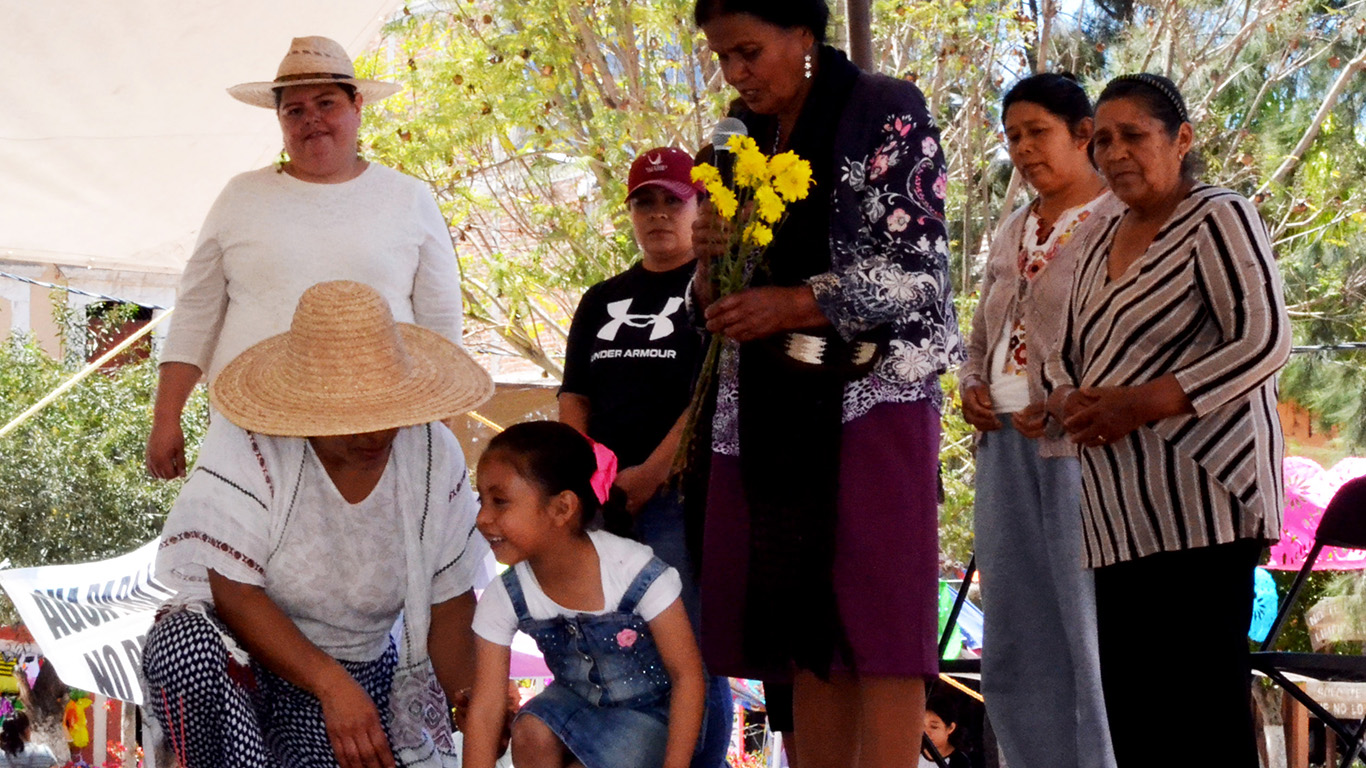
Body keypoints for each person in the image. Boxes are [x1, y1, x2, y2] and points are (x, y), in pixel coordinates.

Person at [690, 2, 963, 767]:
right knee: (800, 622)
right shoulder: (736, 140)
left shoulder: (885, 109)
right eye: (722, 57)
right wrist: (712, 264)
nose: (736, 73)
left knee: (878, 622)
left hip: (872, 399)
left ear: (804, 35)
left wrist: (794, 303)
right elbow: (716, 296)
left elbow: (918, 273)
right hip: (770, 407)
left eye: (749, 51)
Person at [142, 280, 495, 768]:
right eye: (352, 420)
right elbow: (235, 593)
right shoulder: (250, 442)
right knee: (185, 648)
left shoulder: (433, 454)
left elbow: (450, 601)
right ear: (306, 409)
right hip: (243, 666)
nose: (375, 434)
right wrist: (330, 685)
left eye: (386, 412)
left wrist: (474, 701)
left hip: (360, 676)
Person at [1043, 74, 1291, 766]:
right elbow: (1064, 354)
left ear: (1181, 140)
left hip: (1205, 506)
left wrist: (1142, 402)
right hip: (1117, 516)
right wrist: (1066, 400)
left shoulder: (1218, 215)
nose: (1115, 152)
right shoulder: (1097, 236)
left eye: (1134, 135)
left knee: (1202, 715)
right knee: (1136, 718)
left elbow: (1265, 341)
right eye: (1103, 140)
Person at [146, 35, 464, 479]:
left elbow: (441, 323)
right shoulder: (240, 196)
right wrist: (166, 418)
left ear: (357, 106)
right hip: (252, 433)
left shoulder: (408, 198)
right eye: (294, 110)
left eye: (326, 103)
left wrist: (438, 431)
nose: (311, 119)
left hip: (380, 434)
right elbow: (196, 312)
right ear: (279, 120)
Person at [959, 74, 1115, 768]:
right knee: (1017, 626)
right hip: (1002, 444)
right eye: (1013, 136)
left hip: (1081, 447)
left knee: (1086, 625)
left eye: (1038, 132)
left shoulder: (1119, 217)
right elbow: (980, 331)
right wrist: (971, 383)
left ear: (1083, 135)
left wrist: (1065, 396)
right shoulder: (1012, 227)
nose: (1023, 149)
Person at [558, 146, 732, 767]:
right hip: (600, 502)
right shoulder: (601, 298)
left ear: (697, 209)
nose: (658, 214)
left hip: (679, 499)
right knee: (611, 647)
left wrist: (652, 474)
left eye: (672, 201)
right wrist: (587, 476)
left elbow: (711, 395)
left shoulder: (714, 292)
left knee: (689, 651)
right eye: (645, 202)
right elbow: (574, 395)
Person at [464, 421, 706, 768]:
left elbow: (688, 677)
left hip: (653, 716)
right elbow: (486, 707)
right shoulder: (505, 595)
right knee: (530, 730)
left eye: (499, 502)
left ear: (562, 508)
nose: (483, 518)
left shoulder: (635, 572)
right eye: (482, 500)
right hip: (574, 706)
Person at [918, 695, 971, 768]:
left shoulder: (960, 762)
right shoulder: (914, 753)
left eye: (934, 727)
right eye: (922, 726)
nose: (926, 732)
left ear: (951, 728)